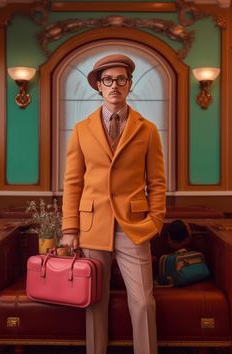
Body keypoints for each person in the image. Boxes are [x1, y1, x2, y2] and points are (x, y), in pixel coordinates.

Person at [61, 54, 166, 354]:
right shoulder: (81, 130)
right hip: (93, 225)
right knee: (95, 303)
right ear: (99, 86)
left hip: (134, 226)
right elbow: (72, 182)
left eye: (121, 79)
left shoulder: (147, 130)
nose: (115, 85)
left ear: (130, 84)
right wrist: (70, 228)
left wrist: (155, 220)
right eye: (108, 80)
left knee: (144, 302)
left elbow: (157, 182)